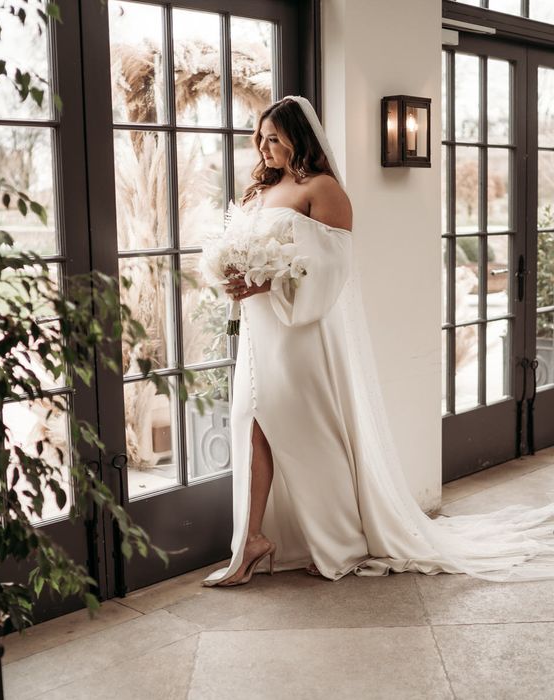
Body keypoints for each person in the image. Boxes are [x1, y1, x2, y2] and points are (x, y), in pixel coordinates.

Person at [203, 96, 554, 587]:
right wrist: (232, 278)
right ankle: (252, 541)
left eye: (275, 138)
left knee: (309, 435)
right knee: (251, 427)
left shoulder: (324, 190)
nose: (264, 147)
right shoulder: (259, 190)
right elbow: (243, 252)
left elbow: (331, 269)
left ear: (299, 139)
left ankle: (340, 541)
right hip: (261, 336)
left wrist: (269, 283)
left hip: (301, 333)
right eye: (260, 137)